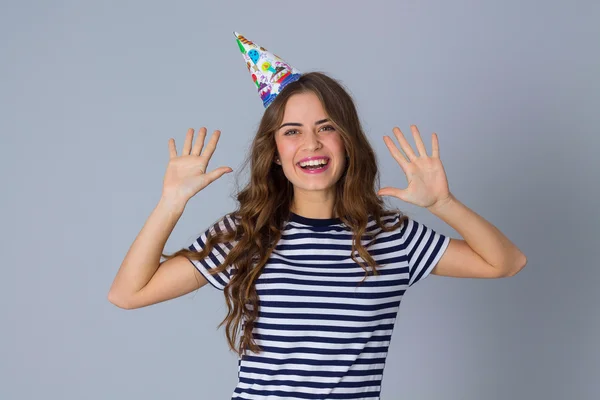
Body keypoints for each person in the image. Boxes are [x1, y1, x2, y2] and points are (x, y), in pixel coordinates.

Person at [108, 32, 527, 399]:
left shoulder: (391, 237)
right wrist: (170, 203)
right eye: (292, 131)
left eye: (326, 128)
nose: (311, 143)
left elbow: (506, 262)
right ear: (275, 152)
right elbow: (128, 294)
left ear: (347, 142)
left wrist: (443, 204)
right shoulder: (245, 235)